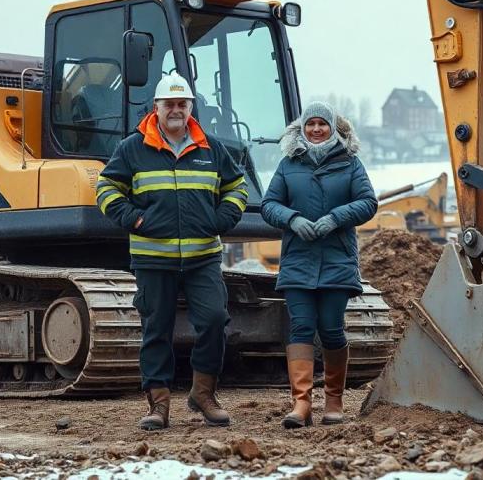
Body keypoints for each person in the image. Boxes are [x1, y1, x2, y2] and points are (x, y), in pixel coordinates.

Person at [97, 72, 248, 431]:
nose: (176, 110)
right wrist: (134, 220)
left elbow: (237, 186)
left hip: (202, 257)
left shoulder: (211, 147)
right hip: (153, 259)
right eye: (170, 104)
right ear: (157, 108)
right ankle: (158, 404)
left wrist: (223, 216)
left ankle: (203, 394)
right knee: (156, 329)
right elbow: (106, 188)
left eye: (182, 104)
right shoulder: (132, 148)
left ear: (191, 108)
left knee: (213, 320)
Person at [261, 101, 377, 428]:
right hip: (298, 261)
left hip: (336, 260)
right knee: (300, 327)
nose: (315, 129)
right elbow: (270, 205)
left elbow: (368, 203)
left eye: (321, 124)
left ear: (332, 128)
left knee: (330, 328)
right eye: (309, 124)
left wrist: (335, 219)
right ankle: (301, 405)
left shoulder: (350, 164)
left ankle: (334, 401)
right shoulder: (288, 164)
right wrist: (292, 219)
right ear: (301, 128)